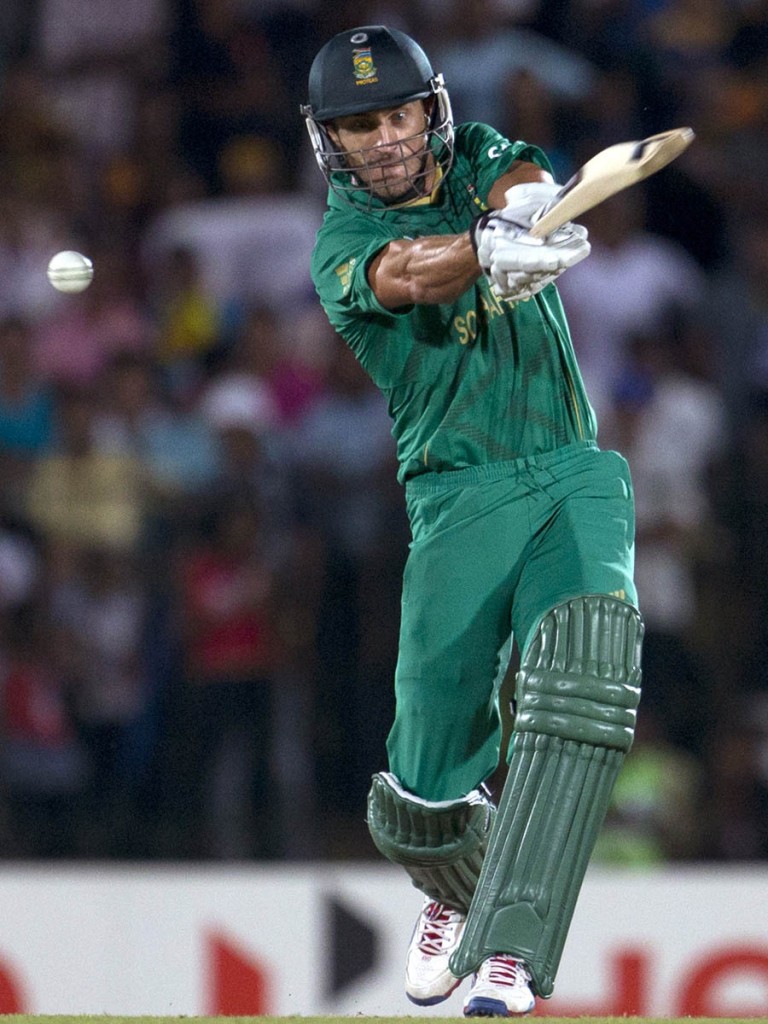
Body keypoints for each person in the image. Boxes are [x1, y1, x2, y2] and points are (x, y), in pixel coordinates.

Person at [301, 25, 643, 1018]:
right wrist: (482, 256)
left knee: (585, 674)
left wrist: (531, 214)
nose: (387, 137)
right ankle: (453, 887)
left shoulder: (480, 152)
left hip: (571, 466)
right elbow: (407, 275)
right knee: (423, 788)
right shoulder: (340, 243)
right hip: (457, 494)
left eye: (400, 111)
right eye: (360, 123)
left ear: (430, 107)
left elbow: (519, 179)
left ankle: (514, 952)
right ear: (331, 140)